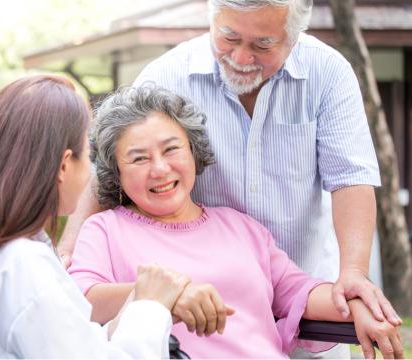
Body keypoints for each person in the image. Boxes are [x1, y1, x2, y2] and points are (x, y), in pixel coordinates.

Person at [58, 2, 402, 350]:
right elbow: (78, 297)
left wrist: (354, 287)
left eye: (262, 44)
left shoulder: (326, 73)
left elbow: (351, 178)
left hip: (300, 295)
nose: (240, 55)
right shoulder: (167, 75)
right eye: (229, 36)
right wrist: (71, 249)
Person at [0, 75, 191, 359]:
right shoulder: (26, 267)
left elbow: (75, 342)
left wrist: (139, 299)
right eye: (89, 156)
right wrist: (151, 308)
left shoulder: (4, 254)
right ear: (63, 165)